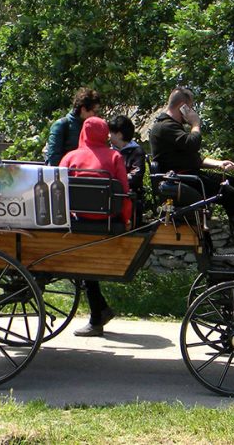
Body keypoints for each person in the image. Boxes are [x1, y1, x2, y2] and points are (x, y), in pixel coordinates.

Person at [148, 87, 234, 253]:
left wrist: (219, 164)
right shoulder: (165, 127)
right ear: (183, 106)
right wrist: (195, 123)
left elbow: (194, 158)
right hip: (182, 180)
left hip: (190, 176)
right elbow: (193, 143)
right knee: (228, 193)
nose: (192, 111)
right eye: (191, 107)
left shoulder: (172, 127)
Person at [60, 116, 130, 337]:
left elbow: (57, 191)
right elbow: (124, 193)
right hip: (108, 222)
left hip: (79, 223)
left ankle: (98, 315)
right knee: (87, 269)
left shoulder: (70, 157)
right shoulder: (115, 156)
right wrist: (126, 220)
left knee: (83, 266)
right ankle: (99, 312)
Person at [44, 87, 102, 166]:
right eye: (95, 112)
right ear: (83, 109)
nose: (96, 115)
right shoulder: (61, 125)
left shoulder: (92, 127)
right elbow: (54, 160)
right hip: (67, 175)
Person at [108, 115, 146, 226]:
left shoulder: (137, 152)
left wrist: (116, 182)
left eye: (111, 133)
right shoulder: (108, 150)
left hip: (128, 195)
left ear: (119, 135)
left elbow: (136, 176)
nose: (108, 136)